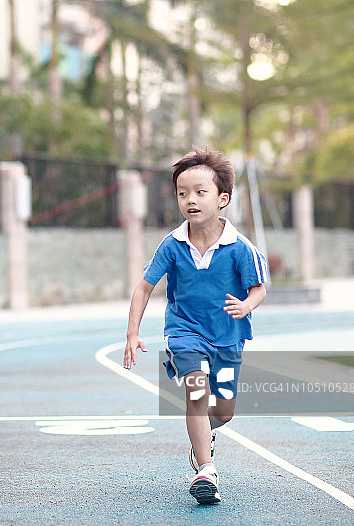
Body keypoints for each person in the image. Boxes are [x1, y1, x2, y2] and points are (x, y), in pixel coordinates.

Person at [123, 148, 268, 505]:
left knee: (224, 411)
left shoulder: (240, 248)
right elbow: (144, 287)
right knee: (196, 393)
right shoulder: (172, 245)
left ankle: (205, 436)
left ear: (223, 198)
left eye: (200, 192)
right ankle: (206, 470)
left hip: (228, 336)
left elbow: (259, 287)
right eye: (182, 192)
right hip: (185, 331)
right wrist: (132, 332)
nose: (190, 200)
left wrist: (246, 305)